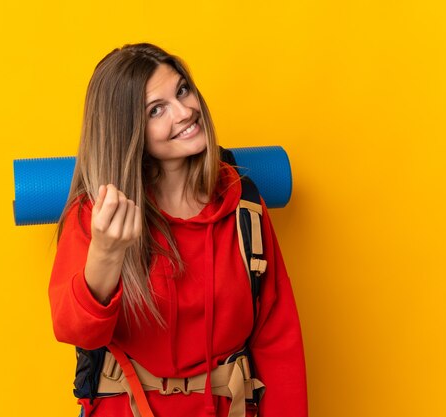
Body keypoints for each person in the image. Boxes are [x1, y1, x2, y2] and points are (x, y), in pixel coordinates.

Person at [48, 43, 307, 417]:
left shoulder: (243, 206)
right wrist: (106, 252)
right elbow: (75, 330)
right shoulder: (96, 216)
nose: (187, 112)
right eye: (158, 109)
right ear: (128, 132)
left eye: (183, 90)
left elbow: (278, 340)